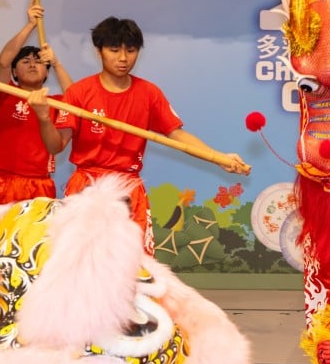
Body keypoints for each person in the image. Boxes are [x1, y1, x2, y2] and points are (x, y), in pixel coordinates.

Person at [27, 16, 247, 255]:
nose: (123, 58)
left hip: (128, 189)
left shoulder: (149, 93)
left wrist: (219, 158)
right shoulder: (80, 92)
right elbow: (55, 146)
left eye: (130, 50)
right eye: (114, 50)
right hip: (87, 188)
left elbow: (177, 135)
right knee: (82, 263)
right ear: (98, 51)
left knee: (135, 267)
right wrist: (43, 117)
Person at [0, 3, 73, 203]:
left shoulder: (57, 103)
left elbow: (77, 99)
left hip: (39, 185)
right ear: (14, 72)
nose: (33, 64)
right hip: (1, 181)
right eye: (25, 61)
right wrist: (30, 25)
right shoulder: (4, 93)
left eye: (38, 61)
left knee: (36, 235)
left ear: (47, 72)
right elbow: (3, 61)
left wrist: (56, 62)